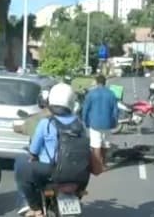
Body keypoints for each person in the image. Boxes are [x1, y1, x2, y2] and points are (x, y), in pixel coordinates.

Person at [15, 83, 102, 217]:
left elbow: (33, 152)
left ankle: (35, 207)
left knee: (21, 165)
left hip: (51, 171)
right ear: (71, 102)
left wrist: (33, 157)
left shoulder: (46, 123)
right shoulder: (80, 124)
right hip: (79, 175)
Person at [82, 75, 119, 168]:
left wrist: (85, 121)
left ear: (96, 82)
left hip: (94, 123)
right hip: (107, 123)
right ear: (105, 82)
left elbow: (85, 110)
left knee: (96, 144)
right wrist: (114, 122)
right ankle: (104, 162)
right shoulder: (111, 94)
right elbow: (115, 110)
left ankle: (97, 165)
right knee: (105, 143)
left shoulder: (91, 94)